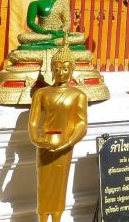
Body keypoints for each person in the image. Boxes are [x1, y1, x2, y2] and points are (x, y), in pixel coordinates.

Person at [28, 37, 88, 222]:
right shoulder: (41, 93)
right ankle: (42, 219)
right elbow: (32, 123)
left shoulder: (78, 95)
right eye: (57, 68)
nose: (61, 72)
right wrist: (37, 140)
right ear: (51, 69)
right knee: (43, 185)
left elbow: (81, 124)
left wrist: (69, 142)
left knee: (60, 186)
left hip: (65, 145)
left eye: (65, 68)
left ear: (72, 70)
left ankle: (57, 219)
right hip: (45, 144)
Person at [18, 0, 85, 51]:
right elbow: (30, 22)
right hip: (42, 34)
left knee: (80, 37)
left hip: (59, 34)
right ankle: (51, 41)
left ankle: (47, 43)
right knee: (22, 37)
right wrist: (44, 32)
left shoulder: (63, 4)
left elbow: (67, 22)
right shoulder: (35, 4)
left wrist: (61, 32)